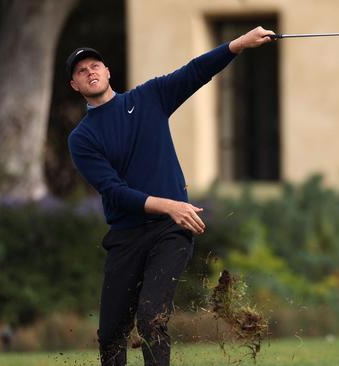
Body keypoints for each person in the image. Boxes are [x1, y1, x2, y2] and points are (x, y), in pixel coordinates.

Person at [66, 26, 275, 366]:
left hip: (170, 232)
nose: (90, 72)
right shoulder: (82, 138)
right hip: (126, 237)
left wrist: (237, 44)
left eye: (94, 66)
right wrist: (170, 205)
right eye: (81, 70)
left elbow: (195, 71)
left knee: (151, 318)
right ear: (75, 85)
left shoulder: (148, 97)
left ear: (107, 72)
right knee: (111, 335)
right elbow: (114, 192)